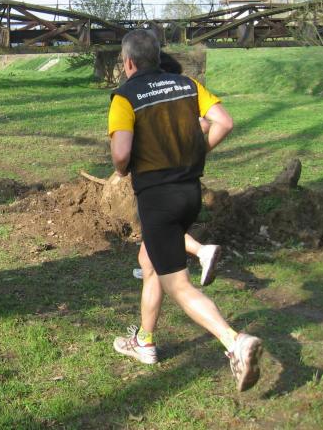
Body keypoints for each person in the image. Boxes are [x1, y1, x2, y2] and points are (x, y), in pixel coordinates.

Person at [108, 29, 263, 392]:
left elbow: (121, 154)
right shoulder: (188, 85)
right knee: (150, 262)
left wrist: (121, 170)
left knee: (177, 284)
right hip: (190, 193)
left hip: (157, 199)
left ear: (128, 62)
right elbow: (224, 122)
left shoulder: (125, 96)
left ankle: (234, 342)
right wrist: (197, 153)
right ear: (157, 56)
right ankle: (144, 341)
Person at [130, 51, 222, 286]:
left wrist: (196, 149)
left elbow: (206, 124)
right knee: (150, 249)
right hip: (182, 181)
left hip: (163, 184)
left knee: (163, 231)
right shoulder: (177, 97)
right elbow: (209, 123)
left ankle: (201, 252)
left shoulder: (159, 101)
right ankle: (152, 271)